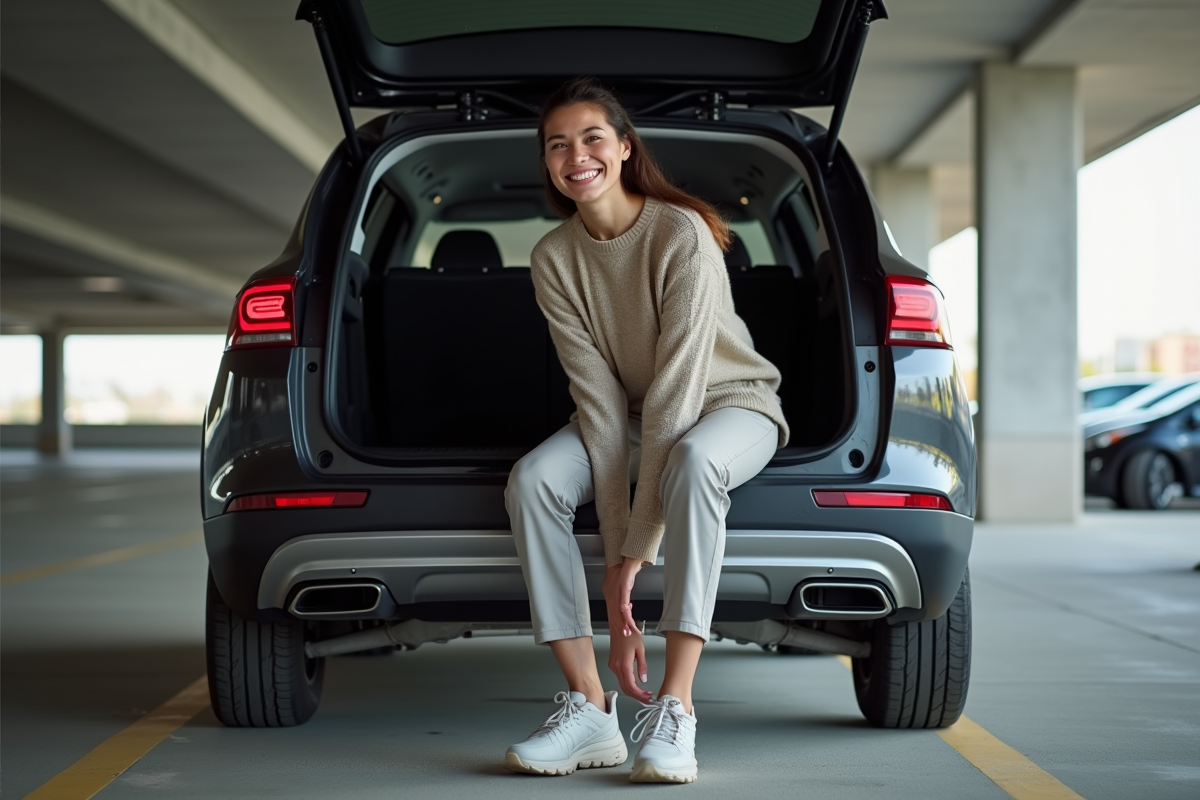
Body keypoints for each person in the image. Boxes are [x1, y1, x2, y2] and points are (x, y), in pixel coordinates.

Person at [503, 77, 789, 784]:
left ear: (625, 149)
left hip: (729, 403)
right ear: (547, 163)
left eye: (593, 137)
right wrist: (613, 568)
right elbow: (597, 397)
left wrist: (633, 554)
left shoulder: (680, 231)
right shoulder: (553, 257)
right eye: (558, 145)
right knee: (534, 479)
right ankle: (590, 706)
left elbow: (677, 393)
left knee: (692, 459)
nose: (577, 156)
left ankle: (676, 706)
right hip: (629, 417)